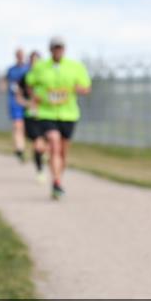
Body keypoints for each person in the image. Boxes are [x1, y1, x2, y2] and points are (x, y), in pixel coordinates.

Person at [24, 36, 91, 200]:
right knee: (54, 142)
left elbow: (86, 87)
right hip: (47, 113)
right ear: (50, 49)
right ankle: (56, 181)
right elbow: (29, 83)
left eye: (60, 48)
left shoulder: (75, 67)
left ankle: (58, 181)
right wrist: (34, 96)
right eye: (55, 48)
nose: (58, 50)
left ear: (64, 49)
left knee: (63, 153)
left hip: (68, 114)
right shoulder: (40, 67)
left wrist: (80, 89)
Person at [18, 51, 48, 182]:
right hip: (31, 115)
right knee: (37, 144)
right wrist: (27, 103)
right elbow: (18, 96)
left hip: (48, 115)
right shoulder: (25, 77)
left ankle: (42, 156)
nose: (34, 64)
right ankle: (40, 170)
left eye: (37, 61)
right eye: (32, 61)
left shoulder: (48, 76)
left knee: (47, 143)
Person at [2, 48, 30, 163]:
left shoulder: (28, 68)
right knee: (17, 125)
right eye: (18, 55)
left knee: (25, 127)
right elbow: (4, 81)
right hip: (14, 100)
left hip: (26, 101)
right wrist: (3, 86)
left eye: (21, 55)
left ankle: (22, 145)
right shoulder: (11, 69)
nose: (20, 57)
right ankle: (20, 149)